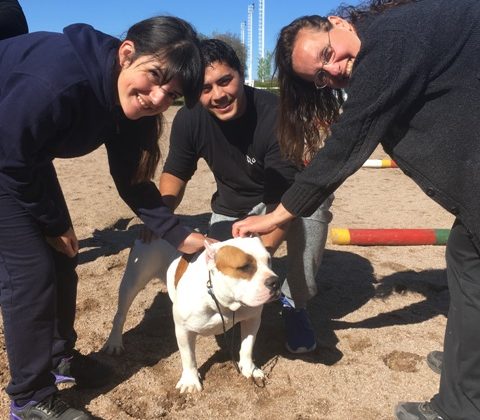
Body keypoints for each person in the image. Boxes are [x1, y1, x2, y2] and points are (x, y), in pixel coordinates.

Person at [232, 0, 480, 419]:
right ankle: (467, 370)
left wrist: (277, 215)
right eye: (322, 77)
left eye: (327, 54)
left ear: (338, 22)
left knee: (470, 268)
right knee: (464, 256)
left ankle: (460, 405)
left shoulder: (389, 39)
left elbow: (348, 143)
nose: (335, 70)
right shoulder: (401, 36)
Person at [0, 16, 206, 419]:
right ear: (127, 53)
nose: (158, 97)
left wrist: (180, 237)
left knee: (64, 255)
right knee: (29, 272)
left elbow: (132, 181)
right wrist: (52, 222)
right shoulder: (57, 80)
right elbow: (9, 157)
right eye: (155, 77)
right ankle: (29, 398)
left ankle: (58, 358)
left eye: (173, 93)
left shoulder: (127, 102)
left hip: (23, 156)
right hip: (6, 157)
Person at [134, 38, 334, 354]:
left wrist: (258, 255)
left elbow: (284, 197)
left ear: (241, 74)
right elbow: (176, 170)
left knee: (313, 209)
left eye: (225, 80)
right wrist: (163, 213)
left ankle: (295, 305)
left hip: (280, 199)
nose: (219, 95)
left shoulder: (275, 114)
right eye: (205, 88)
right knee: (218, 269)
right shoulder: (189, 118)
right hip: (231, 206)